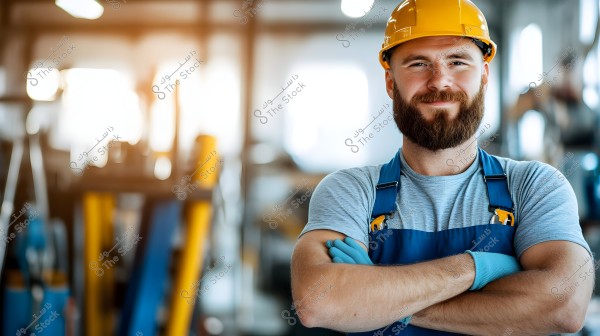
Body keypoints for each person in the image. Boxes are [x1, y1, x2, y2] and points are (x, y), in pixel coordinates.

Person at [290, 0, 594, 335]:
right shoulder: (350, 191)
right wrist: (478, 267)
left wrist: (386, 301)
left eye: (458, 61)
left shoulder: (535, 186)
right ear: (391, 83)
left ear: (484, 75)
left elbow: (564, 306)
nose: (440, 81)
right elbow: (319, 303)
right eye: (418, 64)